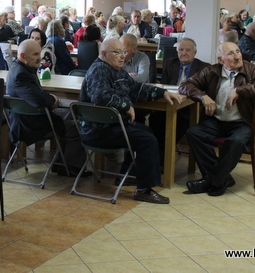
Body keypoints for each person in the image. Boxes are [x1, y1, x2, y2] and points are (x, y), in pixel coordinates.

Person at [79, 38, 184, 204]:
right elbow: (100, 96)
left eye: (123, 52)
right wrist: (126, 105)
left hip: (111, 126)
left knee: (146, 132)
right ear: (104, 54)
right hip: (97, 130)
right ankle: (144, 190)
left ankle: (131, 175)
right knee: (146, 139)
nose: (122, 56)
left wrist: (162, 93)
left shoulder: (116, 70)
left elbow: (136, 88)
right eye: (117, 52)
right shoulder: (99, 70)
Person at [179, 42, 255, 196]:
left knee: (236, 141)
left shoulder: (251, 70)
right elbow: (185, 85)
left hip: (243, 122)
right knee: (194, 133)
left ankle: (213, 180)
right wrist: (202, 96)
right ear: (221, 59)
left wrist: (240, 90)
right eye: (230, 54)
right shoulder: (212, 71)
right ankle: (221, 179)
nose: (237, 56)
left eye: (238, 51)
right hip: (216, 121)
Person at [5, 39, 87, 176]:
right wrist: (53, 99)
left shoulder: (20, 68)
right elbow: (39, 100)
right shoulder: (21, 75)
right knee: (76, 127)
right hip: (29, 125)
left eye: (39, 53)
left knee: (71, 114)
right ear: (22, 56)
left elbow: (36, 96)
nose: (40, 58)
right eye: (35, 54)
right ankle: (72, 168)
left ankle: (62, 164)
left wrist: (48, 99)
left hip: (28, 119)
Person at [151, 38, 210, 162]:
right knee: (154, 117)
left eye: (188, 50)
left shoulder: (204, 67)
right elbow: (164, 85)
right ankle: (158, 153)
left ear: (195, 52)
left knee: (181, 120)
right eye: (181, 50)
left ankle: (163, 156)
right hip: (170, 102)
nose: (184, 53)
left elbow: (203, 91)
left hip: (190, 106)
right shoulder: (169, 63)